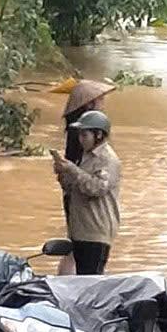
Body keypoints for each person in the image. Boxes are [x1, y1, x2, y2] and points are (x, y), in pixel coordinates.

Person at [52, 110, 120, 275]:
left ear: (98, 135)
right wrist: (63, 174)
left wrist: (73, 170)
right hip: (80, 230)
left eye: (85, 135)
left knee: (91, 281)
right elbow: (74, 188)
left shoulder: (107, 159)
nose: (81, 140)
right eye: (80, 135)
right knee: (82, 280)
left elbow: (96, 188)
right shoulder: (86, 156)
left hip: (96, 232)